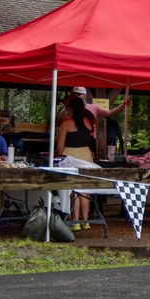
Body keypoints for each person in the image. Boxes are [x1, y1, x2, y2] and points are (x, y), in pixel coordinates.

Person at [56, 96, 96, 231]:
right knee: (85, 189)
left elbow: (60, 147)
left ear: (71, 109)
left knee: (73, 188)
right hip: (86, 157)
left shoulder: (66, 123)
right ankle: (86, 221)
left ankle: (75, 221)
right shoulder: (87, 122)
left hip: (71, 157)